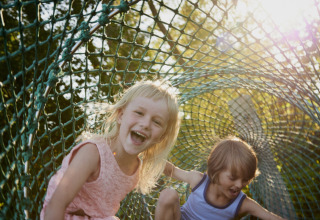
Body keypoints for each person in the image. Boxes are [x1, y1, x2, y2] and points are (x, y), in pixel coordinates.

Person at [40, 80, 181, 220]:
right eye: (139, 113)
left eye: (156, 122)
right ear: (120, 115)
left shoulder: (135, 170)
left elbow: (164, 166)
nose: (145, 124)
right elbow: (56, 204)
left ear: (161, 137)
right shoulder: (92, 153)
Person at [155, 136, 286, 220]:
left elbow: (270, 217)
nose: (240, 185)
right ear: (216, 170)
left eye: (245, 179)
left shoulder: (242, 203)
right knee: (168, 194)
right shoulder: (198, 181)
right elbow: (171, 170)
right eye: (233, 178)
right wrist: (148, 157)